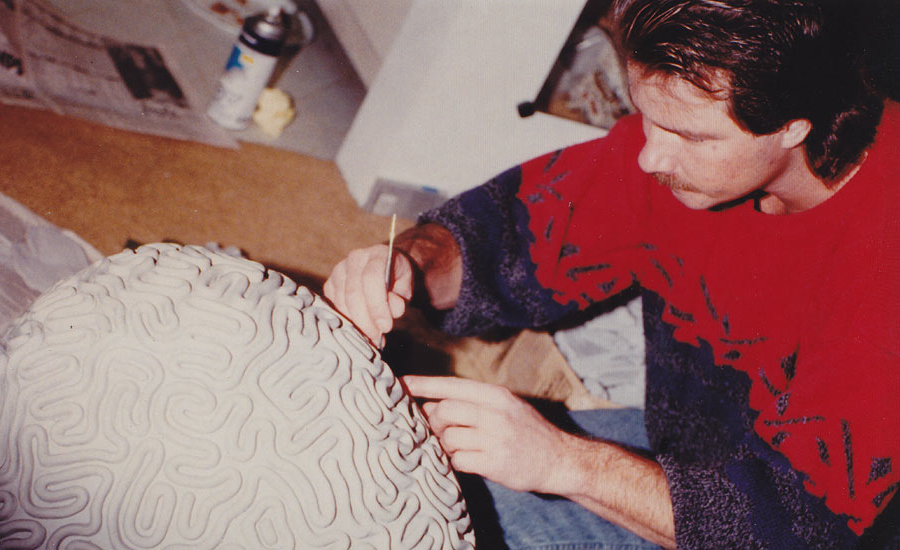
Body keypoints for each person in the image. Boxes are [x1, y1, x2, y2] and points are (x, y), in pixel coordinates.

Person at [324, 0, 899, 548]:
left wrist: (563, 463)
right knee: (390, 481)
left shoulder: (881, 282)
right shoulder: (681, 148)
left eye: (691, 136)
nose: (651, 157)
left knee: (422, 529)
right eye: (646, 116)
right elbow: (514, 235)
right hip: (698, 454)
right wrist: (411, 263)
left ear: (792, 126)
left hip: (813, 527)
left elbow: (797, 531)